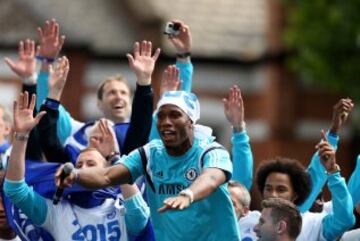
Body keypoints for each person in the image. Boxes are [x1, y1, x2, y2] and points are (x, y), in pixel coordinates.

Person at [56, 90, 241, 241]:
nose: (166, 122)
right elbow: (106, 176)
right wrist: (76, 175)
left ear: (190, 122)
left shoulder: (211, 151)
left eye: (175, 115)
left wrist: (188, 194)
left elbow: (211, 178)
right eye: (161, 116)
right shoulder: (150, 154)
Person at [3, 92, 150, 241]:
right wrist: (21, 135)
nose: (83, 168)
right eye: (78, 165)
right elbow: (14, 189)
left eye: (91, 164)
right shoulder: (56, 211)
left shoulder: (120, 208)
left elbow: (140, 217)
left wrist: (114, 157)